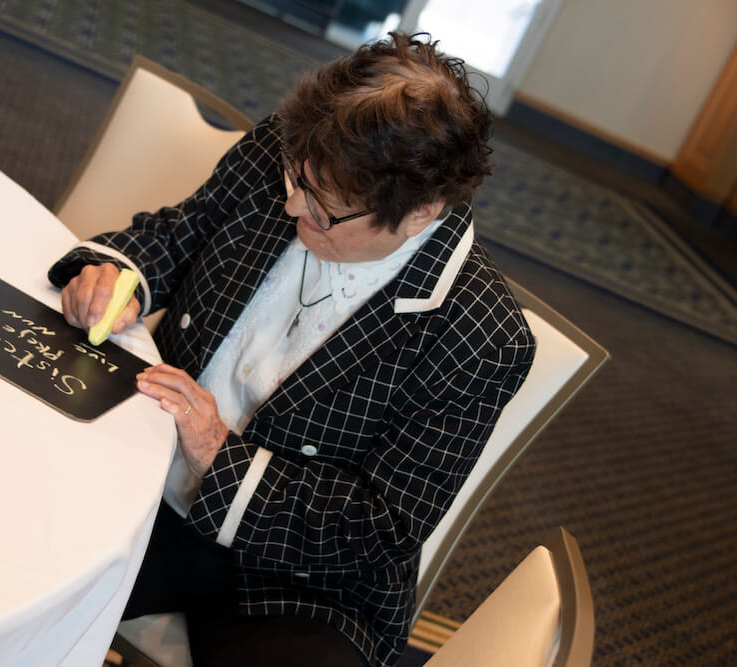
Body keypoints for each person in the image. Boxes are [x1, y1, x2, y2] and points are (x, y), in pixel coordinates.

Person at [49, 32, 535, 667]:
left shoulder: (480, 337)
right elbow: (184, 231)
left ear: (421, 212)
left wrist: (218, 456)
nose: (291, 204)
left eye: (325, 211)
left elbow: (380, 526)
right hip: (141, 466)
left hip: (300, 580)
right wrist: (119, 278)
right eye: (295, 179)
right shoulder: (299, 153)